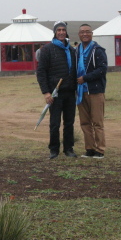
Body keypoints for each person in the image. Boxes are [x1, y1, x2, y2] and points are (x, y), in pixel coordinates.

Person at [36, 21, 77, 159]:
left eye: (63, 30)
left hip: (70, 92)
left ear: (66, 32)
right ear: (54, 32)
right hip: (55, 93)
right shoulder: (47, 50)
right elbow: (41, 72)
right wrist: (46, 92)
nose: (61, 32)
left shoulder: (71, 50)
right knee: (55, 123)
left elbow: (75, 71)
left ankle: (68, 149)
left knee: (69, 122)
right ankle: (54, 149)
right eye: (58, 30)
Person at [75, 24, 108, 159]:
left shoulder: (98, 50)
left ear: (92, 33)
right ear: (79, 34)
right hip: (81, 91)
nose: (85, 34)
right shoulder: (76, 51)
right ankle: (89, 149)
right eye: (82, 32)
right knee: (84, 122)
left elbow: (102, 69)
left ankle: (100, 150)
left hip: (95, 91)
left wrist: (85, 78)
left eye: (87, 32)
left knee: (97, 122)